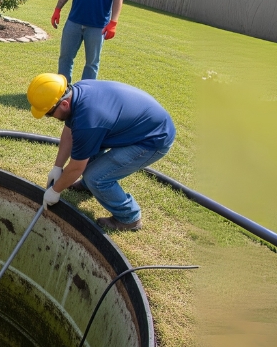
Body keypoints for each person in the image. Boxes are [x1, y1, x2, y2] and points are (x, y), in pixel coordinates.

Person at [26, 73, 175, 231]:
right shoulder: (76, 92)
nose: (49, 117)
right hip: (134, 126)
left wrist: (55, 191)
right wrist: (57, 167)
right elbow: (69, 132)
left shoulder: (88, 121)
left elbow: (77, 167)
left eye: (49, 113)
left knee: (95, 177)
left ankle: (129, 218)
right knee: (85, 152)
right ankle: (88, 186)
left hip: (152, 139)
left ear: (63, 104)